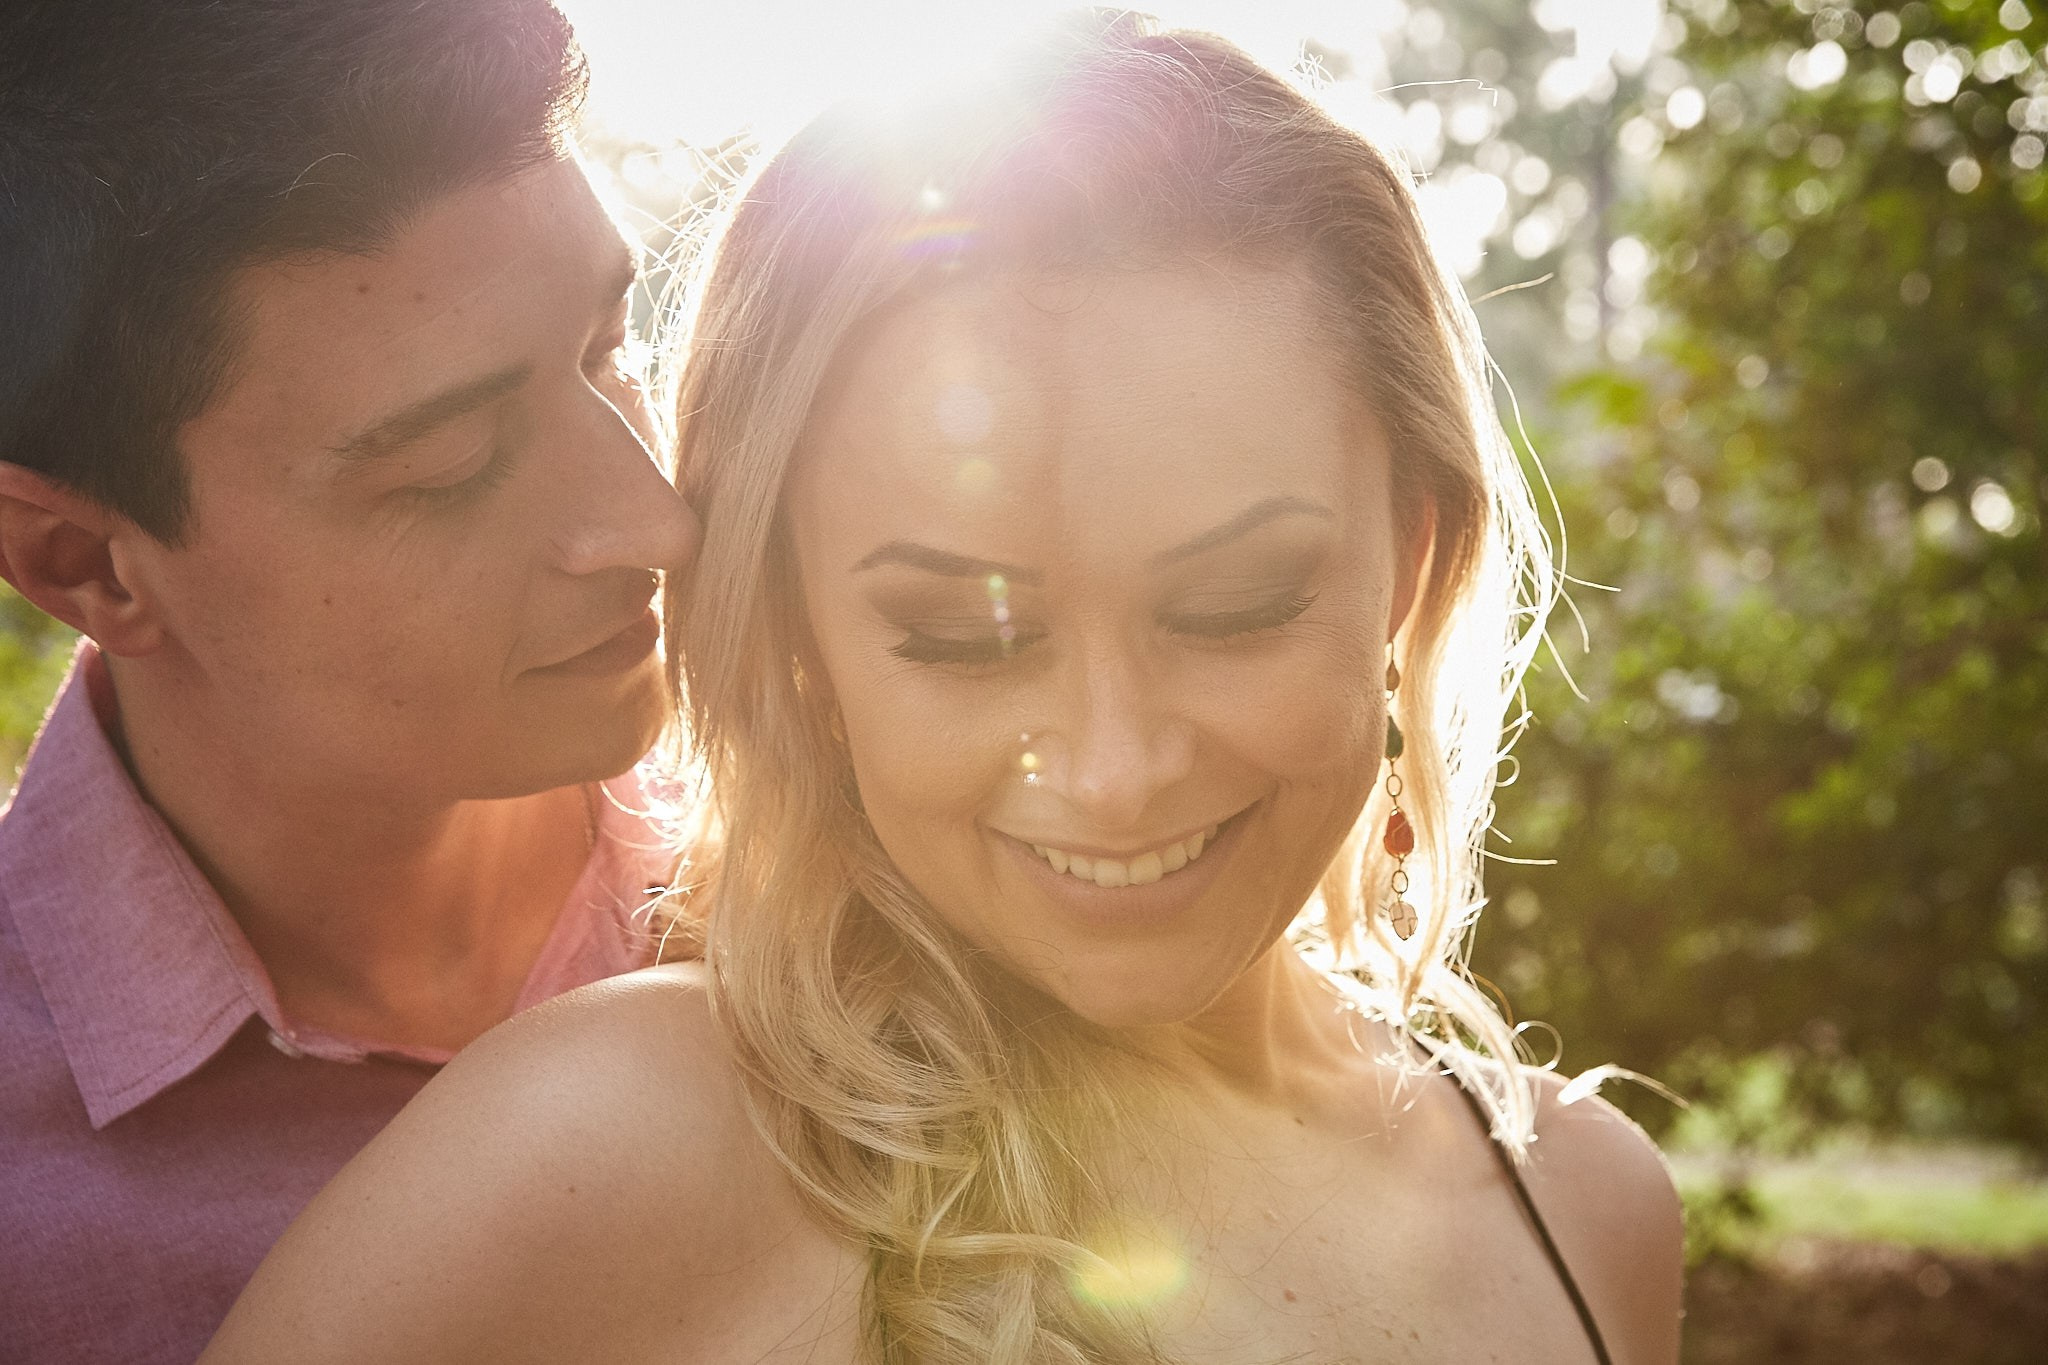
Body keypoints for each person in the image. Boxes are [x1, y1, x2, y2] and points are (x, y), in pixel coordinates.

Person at [201, 14, 1683, 1364]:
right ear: (801, 641)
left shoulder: (1592, 1200)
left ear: (1411, 558)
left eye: (1234, 608)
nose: (1112, 767)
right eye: (963, 635)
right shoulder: (607, 1147)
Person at [0, 2, 699, 1360]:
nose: (655, 517)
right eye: (449, 469)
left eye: (611, 347)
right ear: (87, 563)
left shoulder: (858, 868)